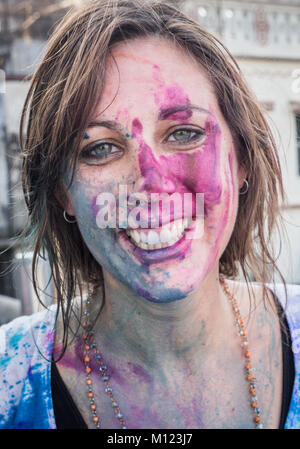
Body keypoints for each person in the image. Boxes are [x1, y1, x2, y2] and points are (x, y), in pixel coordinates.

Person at [0, 0, 299, 430]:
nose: (152, 182)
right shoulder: (10, 383)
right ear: (63, 192)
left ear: (241, 160)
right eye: (100, 148)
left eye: (184, 133)